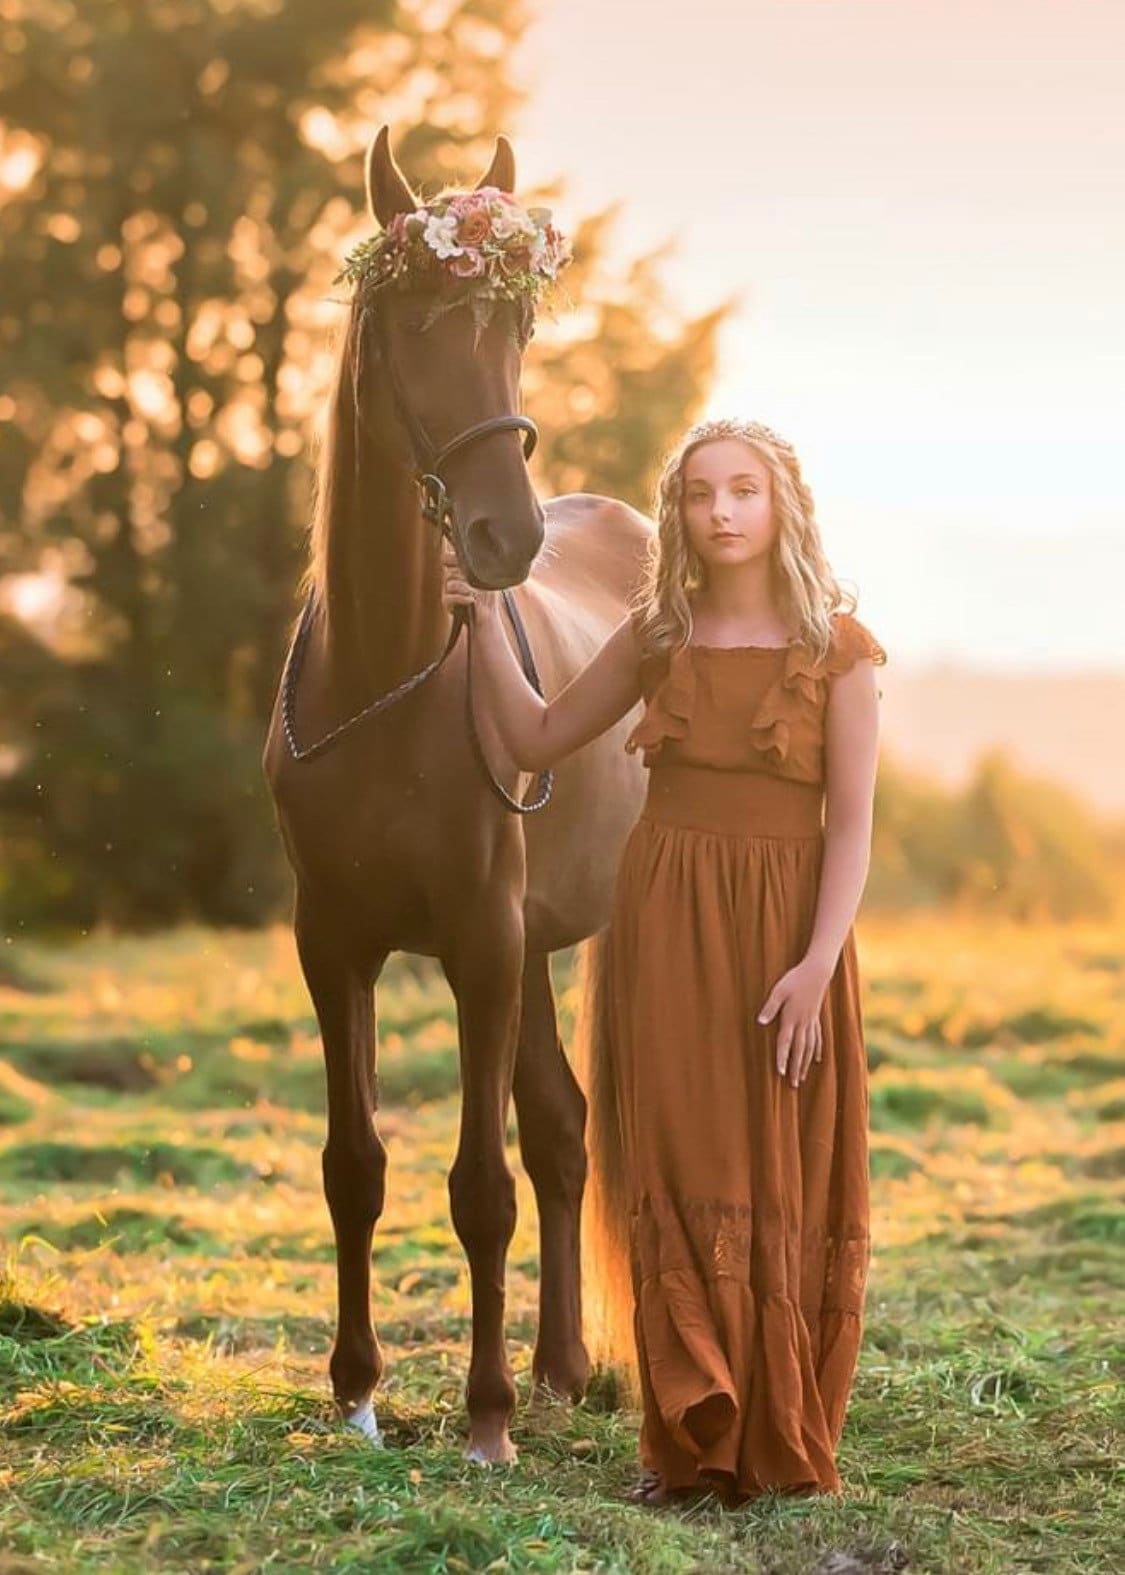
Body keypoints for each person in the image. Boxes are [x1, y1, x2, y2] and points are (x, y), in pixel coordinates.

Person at [440, 416, 886, 1507]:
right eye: (699, 495)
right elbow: (538, 736)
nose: (721, 512)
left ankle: (775, 1426)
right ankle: (690, 1437)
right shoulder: (657, 634)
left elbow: (853, 828)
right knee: (677, 1161)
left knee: (777, 1163)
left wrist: (817, 968)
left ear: (782, 504)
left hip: (790, 928)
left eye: (743, 490)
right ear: (678, 512)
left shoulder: (841, 647)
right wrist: (483, 615)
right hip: (666, 917)